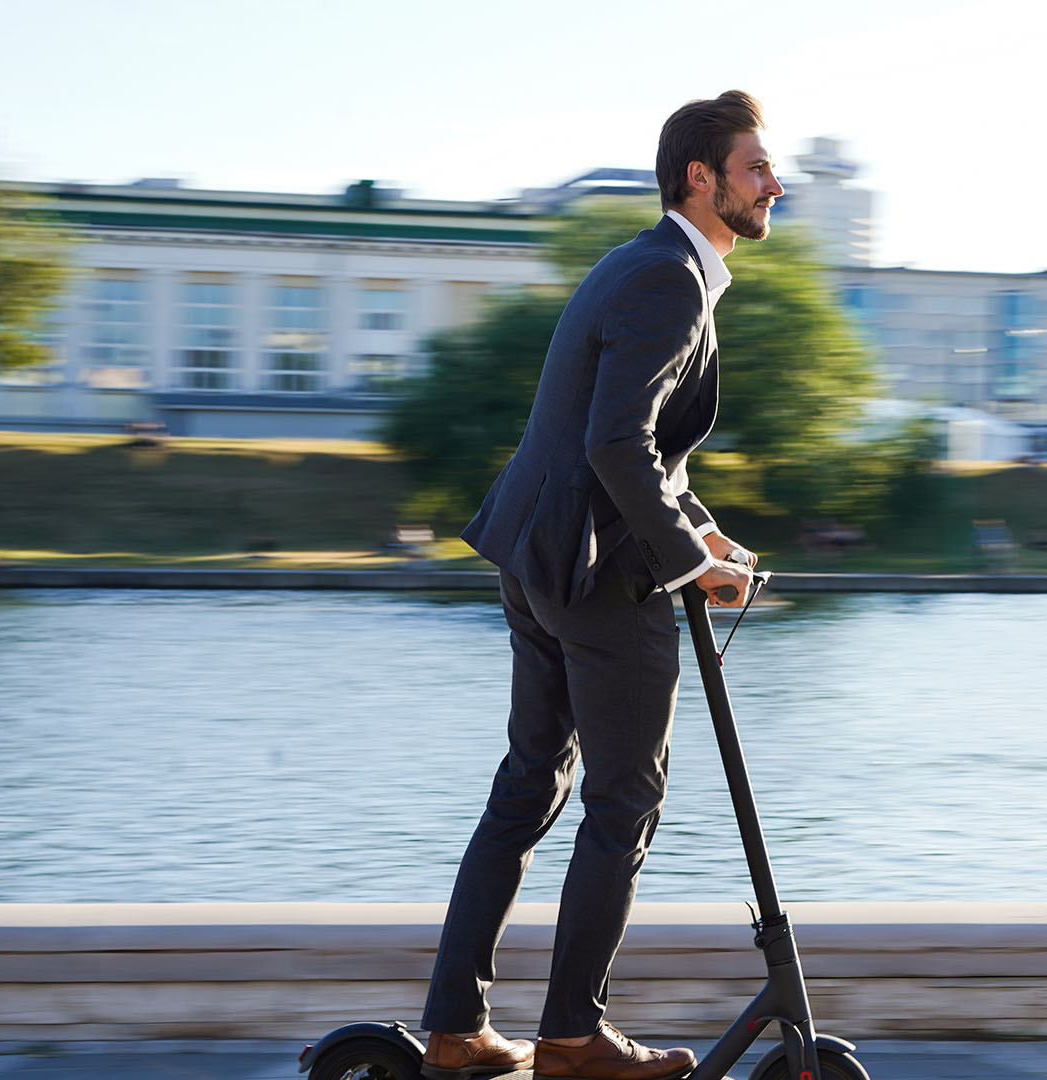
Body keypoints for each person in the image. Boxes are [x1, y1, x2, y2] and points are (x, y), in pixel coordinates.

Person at [418, 91, 780, 1080]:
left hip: (539, 558)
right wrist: (686, 563)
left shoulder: (645, 265)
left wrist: (707, 538)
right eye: (755, 167)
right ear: (699, 177)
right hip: (596, 576)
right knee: (625, 798)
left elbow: (643, 451)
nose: (773, 185)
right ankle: (573, 1037)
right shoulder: (668, 280)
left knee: (527, 787)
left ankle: (456, 1029)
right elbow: (615, 442)